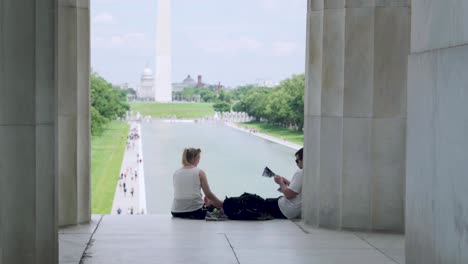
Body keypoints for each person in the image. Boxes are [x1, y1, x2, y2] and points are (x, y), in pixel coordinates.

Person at [171, 148, 223, 219]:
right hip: (196, 211)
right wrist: (221, 204)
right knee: (216, 208)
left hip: (176, 211)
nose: (199, 161)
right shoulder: (199, 172)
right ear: (195, 158)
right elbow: (208, 194)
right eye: (199, 158)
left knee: (208, 204)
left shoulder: (176, 173)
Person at [265, 148, 303, 219]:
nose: (296, 163)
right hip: (296, 211)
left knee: (260, 203)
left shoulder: (300, 172)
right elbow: (299, 190)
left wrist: (280, 182)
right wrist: (286, 181)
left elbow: (289, 195)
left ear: (303, 160)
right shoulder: (311, 172)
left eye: (297, 161)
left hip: (287, 209)